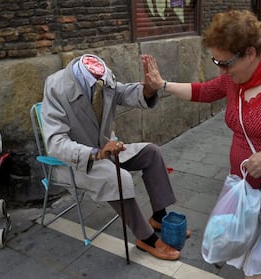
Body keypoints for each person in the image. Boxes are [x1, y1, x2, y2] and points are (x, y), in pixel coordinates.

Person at [144, 10, 261, 278]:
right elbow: (204, 91)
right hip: (244, 189)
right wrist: (162, 85)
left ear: (250, 53)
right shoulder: (235, 78)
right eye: (216, 61)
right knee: (246, 256)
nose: (221, 69)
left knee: (258, 267)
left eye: (225, 62)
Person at [41, 53, 190, 261]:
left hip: (107, 150)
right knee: (118, 178)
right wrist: (95, 153)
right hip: (79, 161)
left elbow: (123, 93)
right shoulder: (56, 86)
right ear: (83, 77)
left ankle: (158, 217)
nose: (103, 84)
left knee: (151, 152)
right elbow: (55, 142)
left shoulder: (103, 76)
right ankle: (145, 238)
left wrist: (149, 89)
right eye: (97, 83)